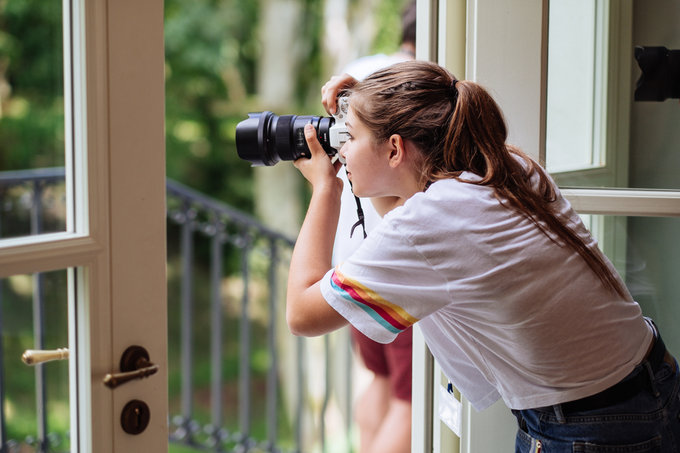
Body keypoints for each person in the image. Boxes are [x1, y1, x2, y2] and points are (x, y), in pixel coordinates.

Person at [287, 59, 680, 452]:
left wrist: (326, 190)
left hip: (591, 426)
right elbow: (402, 208)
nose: (339, 148)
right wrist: (366, 107)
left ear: (394, 148)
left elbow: (302, 315)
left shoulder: (430, 223)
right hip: (649, 377)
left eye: (348, 137)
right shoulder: (501, 166)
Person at [330, 4, 416, 453]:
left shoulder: (358, 74)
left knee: (378, 381)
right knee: (408, 402)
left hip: (349, 260)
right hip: (395, 266)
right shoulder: (424, 90)